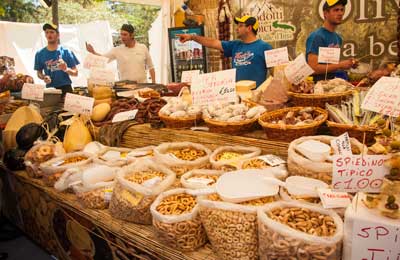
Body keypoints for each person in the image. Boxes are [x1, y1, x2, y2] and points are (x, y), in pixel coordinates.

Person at [177, 16, 272, 88]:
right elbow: (213, 43)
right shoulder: (235, 45)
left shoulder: (265, 47)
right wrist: (192, 37)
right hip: (237, 94)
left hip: (257, 95)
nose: (237, 28)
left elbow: (275, 72)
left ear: (249, 28)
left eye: (240, 26)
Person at [306, 0, 358, 82]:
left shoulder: (338, 38)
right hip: (316, 88)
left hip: (331, 84)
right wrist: (340, 65)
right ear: (325, 13)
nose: (340, 13)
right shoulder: (317, 37)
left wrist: (348, 64)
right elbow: (312, 68)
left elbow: (330, 65)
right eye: (336, 10)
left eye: (342, 10)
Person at [86, 24, 155, 83]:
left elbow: (151, 67)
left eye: (125, 35)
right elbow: (104, 59)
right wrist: (93, 52)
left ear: (132, 35)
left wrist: (154, 83)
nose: (122, 37)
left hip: (142, 85)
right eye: (121, 34)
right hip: (125, 88)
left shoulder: (142, 47)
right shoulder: (117, 50)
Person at [34, 23, 79, 95]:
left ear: (58, 35)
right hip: (50, 90)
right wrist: (44, 77)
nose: (49, 35)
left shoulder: (66, 51)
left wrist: (66, 69)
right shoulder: (39, 54)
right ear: (45, 35)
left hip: (66, 88)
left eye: (52, 32)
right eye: (47, 32)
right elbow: (39, 73)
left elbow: (75, 73)